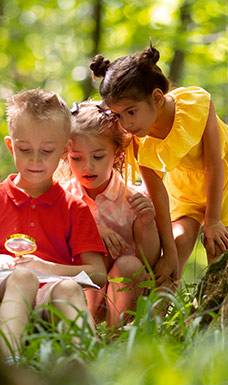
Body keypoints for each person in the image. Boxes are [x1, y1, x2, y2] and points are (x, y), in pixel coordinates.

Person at [0, 89, 107, 357]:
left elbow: (98, 273)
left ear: (64, 151)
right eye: (25, 149)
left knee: (68, 289)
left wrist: (45, 267)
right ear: (11, 146)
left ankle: (90, 369)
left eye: (47, 151)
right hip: (1, 289)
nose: (35, 160)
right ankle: (12, 364)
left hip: (49, 294)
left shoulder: (73, 207)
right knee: (22, 277)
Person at [89, 46, 228, 285]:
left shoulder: (196, 104)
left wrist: (214, 219)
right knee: (175, 249)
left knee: (218, 249)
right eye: (119, 116)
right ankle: (158, 317)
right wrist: (171, 255)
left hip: (226, 180)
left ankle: (216, 315)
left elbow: (214, 164)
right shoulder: (137, 140)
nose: (126, 124)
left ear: (156, 98)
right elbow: (158, 195)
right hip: (184, 189)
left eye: (131, 112)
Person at [61, 100, 160, 327]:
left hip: (124, 293)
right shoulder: (62, 197)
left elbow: (150, 260)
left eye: (98, 156)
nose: (88, 166)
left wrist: (147, 223)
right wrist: (91, 229)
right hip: (81, 295)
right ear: (66, 154)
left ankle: (116, 342)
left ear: (116, 154)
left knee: (130, 265)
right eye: (77, 158)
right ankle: (85, 335)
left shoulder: (131, 198)